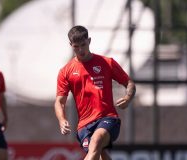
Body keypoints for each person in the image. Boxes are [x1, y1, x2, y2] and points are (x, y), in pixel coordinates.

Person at [54, 25, 136, 160]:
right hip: (84, 126)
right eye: (76, 46)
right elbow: (59, 101)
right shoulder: (66, 71)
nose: (80, 50)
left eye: (83, 44)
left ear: (89, 41)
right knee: (100, 153)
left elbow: (129, 83)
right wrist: (62, 120)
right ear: (70, 45)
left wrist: (128, 97)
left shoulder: (107, 62)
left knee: (96, 141)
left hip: (108, 118)